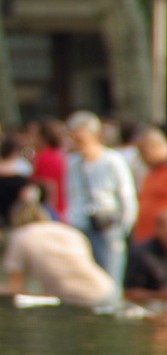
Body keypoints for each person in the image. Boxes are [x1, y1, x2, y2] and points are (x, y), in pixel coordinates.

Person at [2, 190, 117, 307]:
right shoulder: (69, 231)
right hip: (106, 289)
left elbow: (14, 287)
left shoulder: (20, 236)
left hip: (77, 300)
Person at [64, 110, 137, 287]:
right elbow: (70, 195)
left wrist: (122, 229)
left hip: (107, 226)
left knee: (110, 279)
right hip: (80, 224)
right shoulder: (72, 162)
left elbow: (126, 196)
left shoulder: (113, 160)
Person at [131, 126, 167, 243]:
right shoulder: (151, 172)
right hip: (145, 239)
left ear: (155, 146)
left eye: (143, 152)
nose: (141, 158)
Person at [125, 209, 167, 302]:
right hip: (150, 307)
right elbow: (127, 292)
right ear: (158, 229)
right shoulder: (141, 255)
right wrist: (159, 295)